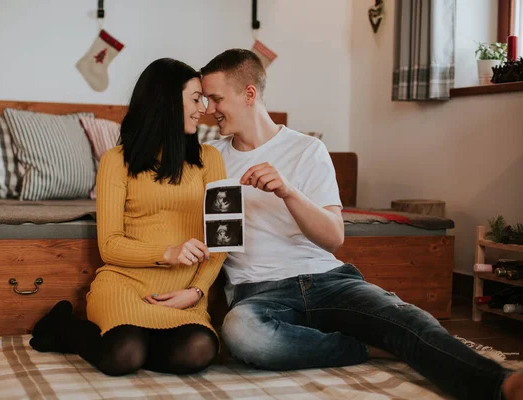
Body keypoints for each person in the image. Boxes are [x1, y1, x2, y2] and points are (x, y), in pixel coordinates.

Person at [200, 49, 523, 400]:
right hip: (258, 293)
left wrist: (288, 192)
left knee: (407, 320)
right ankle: (365, 349)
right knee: (241, 334)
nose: (208, 109)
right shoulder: (212, 159)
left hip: (326, 281)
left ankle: (500, 383)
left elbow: (334, 237)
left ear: (249, 94)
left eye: (216, 98)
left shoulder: (307, 150)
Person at [29, 58, 227, 377]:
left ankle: (133, 339)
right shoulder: (116, 161)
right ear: (166, 101)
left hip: (185, 290)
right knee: (123, 355)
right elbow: (109, 245)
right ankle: (65, 326)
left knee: (198, 351)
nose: (203, 108)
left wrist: (197, 291)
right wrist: (167, 253)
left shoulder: (210, 159)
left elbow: (222, 239)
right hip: (126, 284)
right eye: (195, 98)